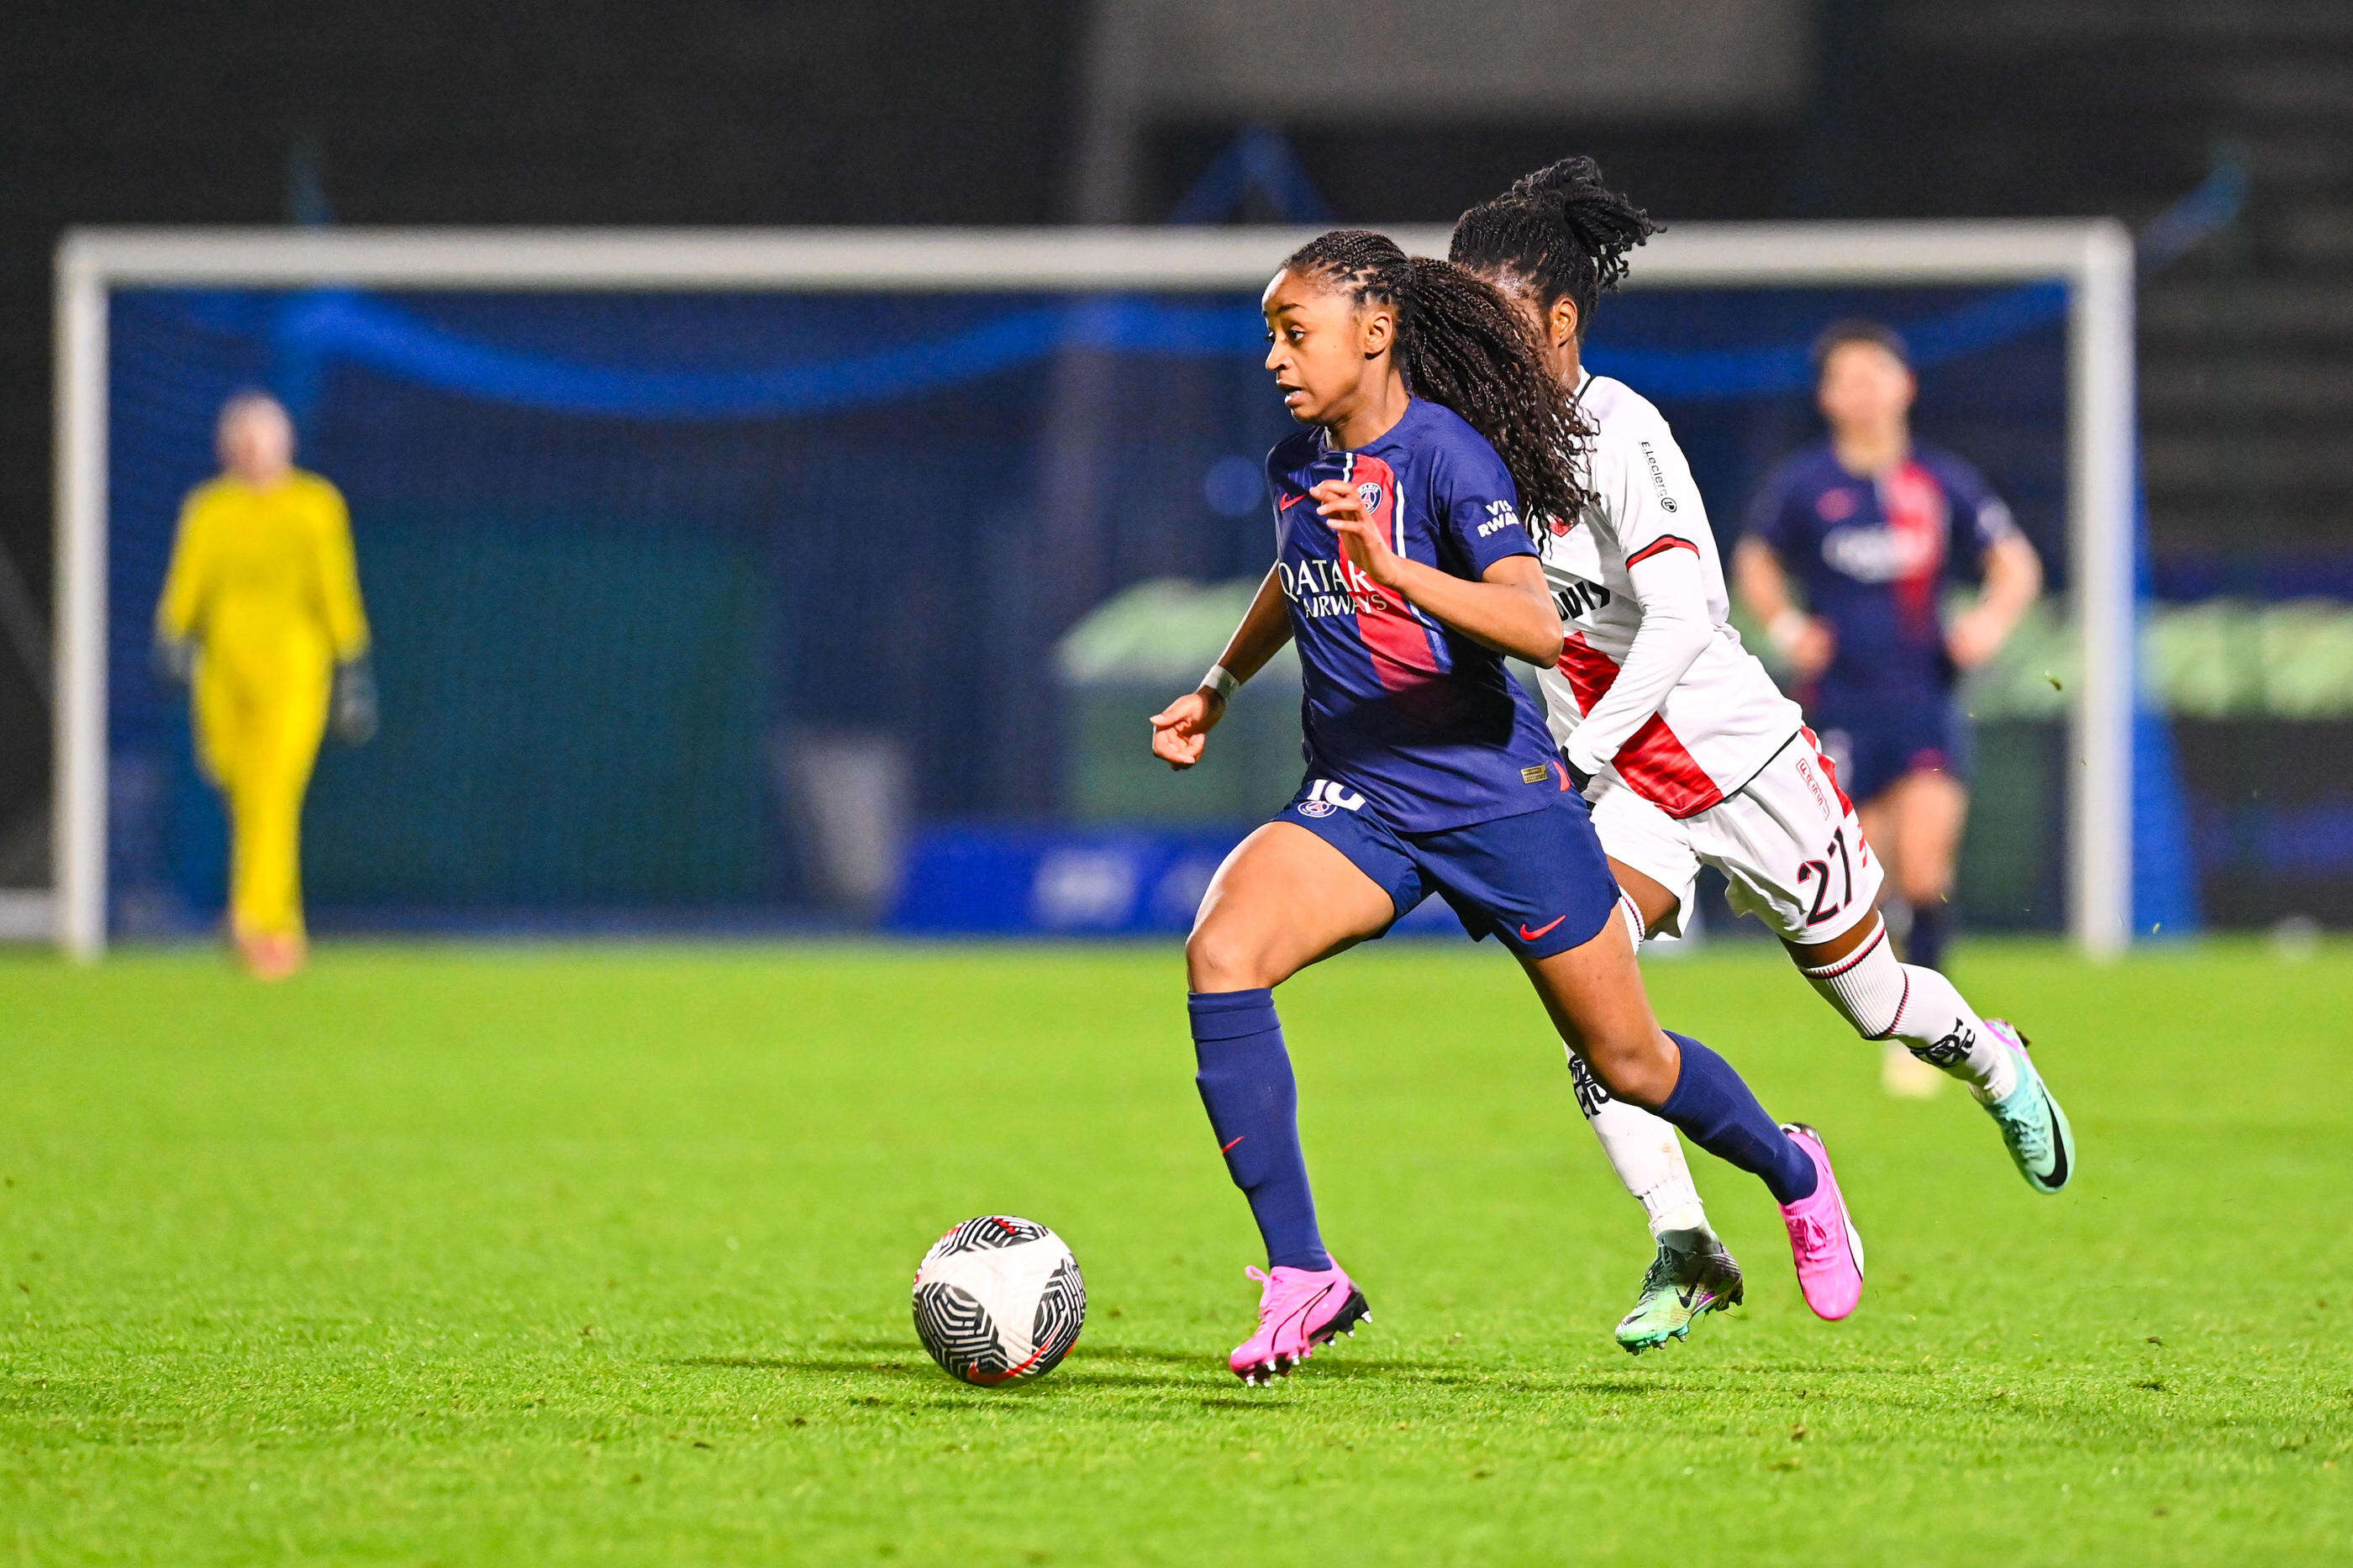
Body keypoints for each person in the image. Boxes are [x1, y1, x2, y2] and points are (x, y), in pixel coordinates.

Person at [1149, 229, 1864, 1385]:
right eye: (1269, 335)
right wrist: (1219, 687)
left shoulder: (1450, 458)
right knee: (1223, 952)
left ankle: (1794, 1170)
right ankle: (1303, 1273)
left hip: (1498, 797)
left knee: (1630, 1061)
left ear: (1376, 331)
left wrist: (1399, 573)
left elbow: (1534, 623)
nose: (1275, 358)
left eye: (1296, 331)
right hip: (1363, 793)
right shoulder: (1300, 463)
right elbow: (1299, 568)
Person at [1447, 158, 2075, 1355]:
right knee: (1591, 1008)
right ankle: (1687, 1242)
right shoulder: (1471, 445)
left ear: (1562, 321)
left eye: (1500, 318)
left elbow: (1689, 617)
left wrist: (1584, 741)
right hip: (1632, 791)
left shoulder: (1621, 433)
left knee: (1875, 1000)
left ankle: (1993, 1064)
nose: (1477, 343)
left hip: (1743, 763)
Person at [1737, 321, 2045, 1094]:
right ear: (1827, 396)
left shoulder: (1941, 483)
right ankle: (1895, 1008)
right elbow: (1754, 559)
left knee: (1927, 867)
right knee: (1862, 883)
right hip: (1839, 704)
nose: (1864, 390)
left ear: (1905, 385)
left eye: (1877, 373)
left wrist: (1988, 623)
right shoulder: (1806, 486)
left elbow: (2015, 562)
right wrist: (1785, 627)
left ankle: (1930, 1045)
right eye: (1847, 377)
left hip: (1925, 700)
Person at [155, 392, 376, 980]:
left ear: (286, 443)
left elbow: (334, 588)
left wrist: (352, 665)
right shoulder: (209, 509)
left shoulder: (314, 506)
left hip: (293, 673)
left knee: (271, 794)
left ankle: (263, 928)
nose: (252, 449)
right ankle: (270, 920)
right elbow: (189, 580)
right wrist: (173, 640)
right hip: (224, 675)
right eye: (241, 438)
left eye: (262, 437)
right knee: (238, 786)